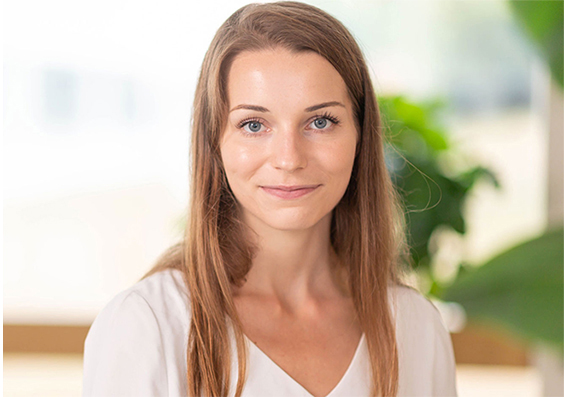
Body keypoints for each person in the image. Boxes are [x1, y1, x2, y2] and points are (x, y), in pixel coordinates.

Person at [82, 2, 458, 396]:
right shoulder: (148, 326)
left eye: (320, 122)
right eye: (254, 124)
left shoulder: (415, 328)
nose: (288, 159)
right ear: (215, 142)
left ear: (361, 135)